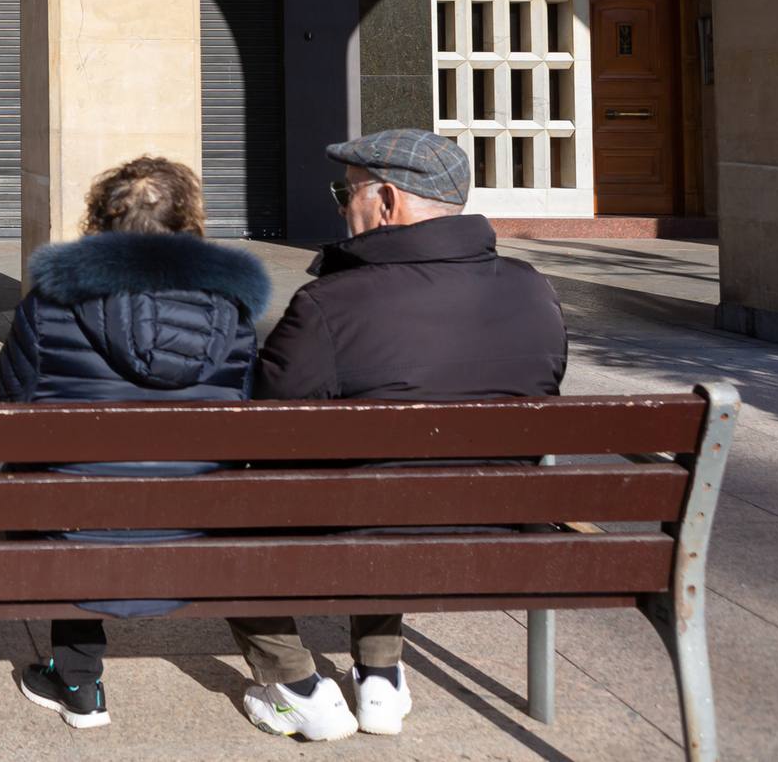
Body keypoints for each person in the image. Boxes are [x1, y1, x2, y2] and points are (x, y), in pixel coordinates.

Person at [231, 129, 567, 742]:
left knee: (234, 502)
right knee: (392, 485)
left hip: (365, 524)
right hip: (501, 527)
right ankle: (380, 678)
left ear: (386, 201)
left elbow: (265, 427)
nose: (339, 205)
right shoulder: (533, 289)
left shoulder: (330, 304)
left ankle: (295, 685)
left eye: (346, 191)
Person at [0, 155, 271, 730]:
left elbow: (7, 398)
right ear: (189, 222)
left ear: (99, 218)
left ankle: (77, 680)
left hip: (71, 522)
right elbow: (247, 408)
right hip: (196, 519)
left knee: (55, 477)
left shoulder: (50, 302)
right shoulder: (235, 310)